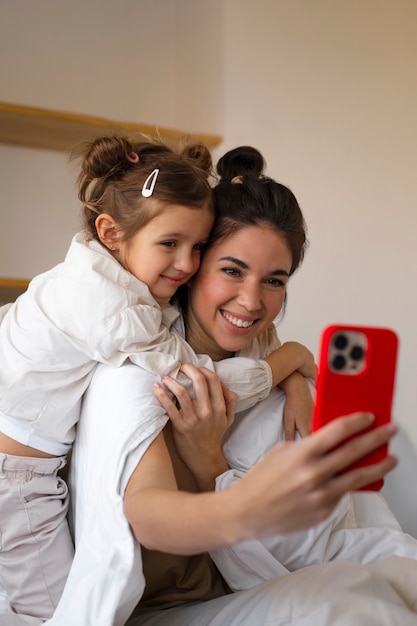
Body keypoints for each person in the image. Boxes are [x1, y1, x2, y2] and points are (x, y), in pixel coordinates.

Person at [44, 147, 417, 626]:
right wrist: (219, 477)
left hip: (263, 583)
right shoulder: (135, 371)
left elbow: (324, 543)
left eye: (274, 280)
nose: (252, 300)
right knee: (344, 603)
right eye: (232, 270)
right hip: (167, 608)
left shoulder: (275, 375)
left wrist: (295, 370)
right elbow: (147, 514)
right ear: (192, 264)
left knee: (379, 579)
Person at [0, 137, 316, 621]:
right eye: (171, 246)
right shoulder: (123, 333)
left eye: (275, 280)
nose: (185, 264)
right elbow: (200, 382)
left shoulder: (90, 275)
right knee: (51, 611)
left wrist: (293, 377)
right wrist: (291, 359)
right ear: (111, 232)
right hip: (19, 479)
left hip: (32, 469)